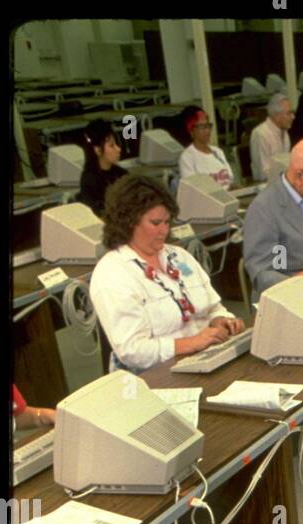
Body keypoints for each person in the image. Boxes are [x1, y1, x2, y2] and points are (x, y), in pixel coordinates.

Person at [89, 176, 244, 373]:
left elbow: (214, 307)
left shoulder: (179, 256)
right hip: (154, 375)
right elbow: (132, 350)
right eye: (155, 223)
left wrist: (220, 319)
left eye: (167, 222)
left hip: (206, 358)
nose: (164, 230)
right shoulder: (112, 273)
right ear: (128, 222)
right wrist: (189, 343)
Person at [242, 139, 303, 299]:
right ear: (299, 176)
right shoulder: (265, 208)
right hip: (286, 301)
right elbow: (264, 272)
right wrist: (293, 282)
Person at [78, 118, 127, 217]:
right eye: (112, 146)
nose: (118, 149)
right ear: (98, 150)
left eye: (117, 144)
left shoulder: (122, 174)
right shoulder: (89, 180)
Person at [177, 107, 233, 190]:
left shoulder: (217, 152)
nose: (207, 130)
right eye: (202, 127)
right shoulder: (187, 157)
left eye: (208, 125)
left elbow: (230, 181)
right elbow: (193, 190)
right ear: (191, 131)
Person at [249, 94, 295, 183]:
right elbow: (263, 174)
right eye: (289, 113)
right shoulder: (260, 134)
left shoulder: (285, 133)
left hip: (282, 183)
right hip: (266, 186)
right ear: (277, 116)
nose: (293, 117)